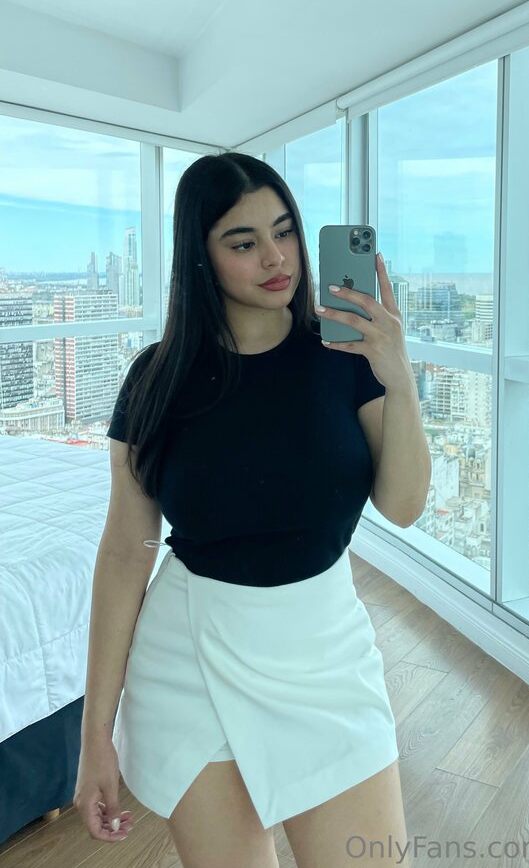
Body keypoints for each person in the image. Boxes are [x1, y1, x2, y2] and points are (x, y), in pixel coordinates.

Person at [73, 151, 431, 868]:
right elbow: (124, 552)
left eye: (285, 231)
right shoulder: (156, 380)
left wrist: (398, 375)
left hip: (325, 651)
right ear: (200, 258)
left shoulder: (346, 359)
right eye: (243, 242)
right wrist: (94, 736)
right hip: (188, 659)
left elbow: (403, 506)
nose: (276, 257)